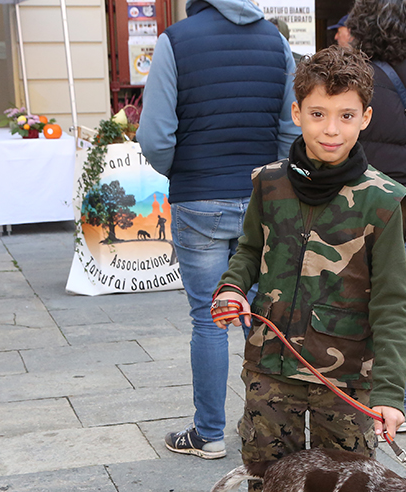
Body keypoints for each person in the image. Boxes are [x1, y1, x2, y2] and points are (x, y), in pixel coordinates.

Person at [211, 46, 406, 492]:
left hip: (346, 379)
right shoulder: (269, 185)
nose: (331, 129)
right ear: (297, 112)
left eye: (346, 115)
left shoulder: (382, 200)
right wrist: (230, 287)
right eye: (319, 113)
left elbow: (394, 305)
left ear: (365, 119)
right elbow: (247, 251)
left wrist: (387, 395)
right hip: (270, 370)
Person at [137, 0, 297, 460]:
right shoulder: (276, 40)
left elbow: (154, 136)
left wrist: (183, 171)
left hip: (200, 196)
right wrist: (275, 176)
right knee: (261, 315)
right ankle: (272, 429)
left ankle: (208, 433)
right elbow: (290, 124)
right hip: (263, 198)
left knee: (210, 318)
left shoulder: (176, 40)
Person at [347, 0, 406, 433]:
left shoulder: (353, 76)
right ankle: (403, 403)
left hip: (361, 202)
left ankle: (360, 394)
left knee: (353, 296)